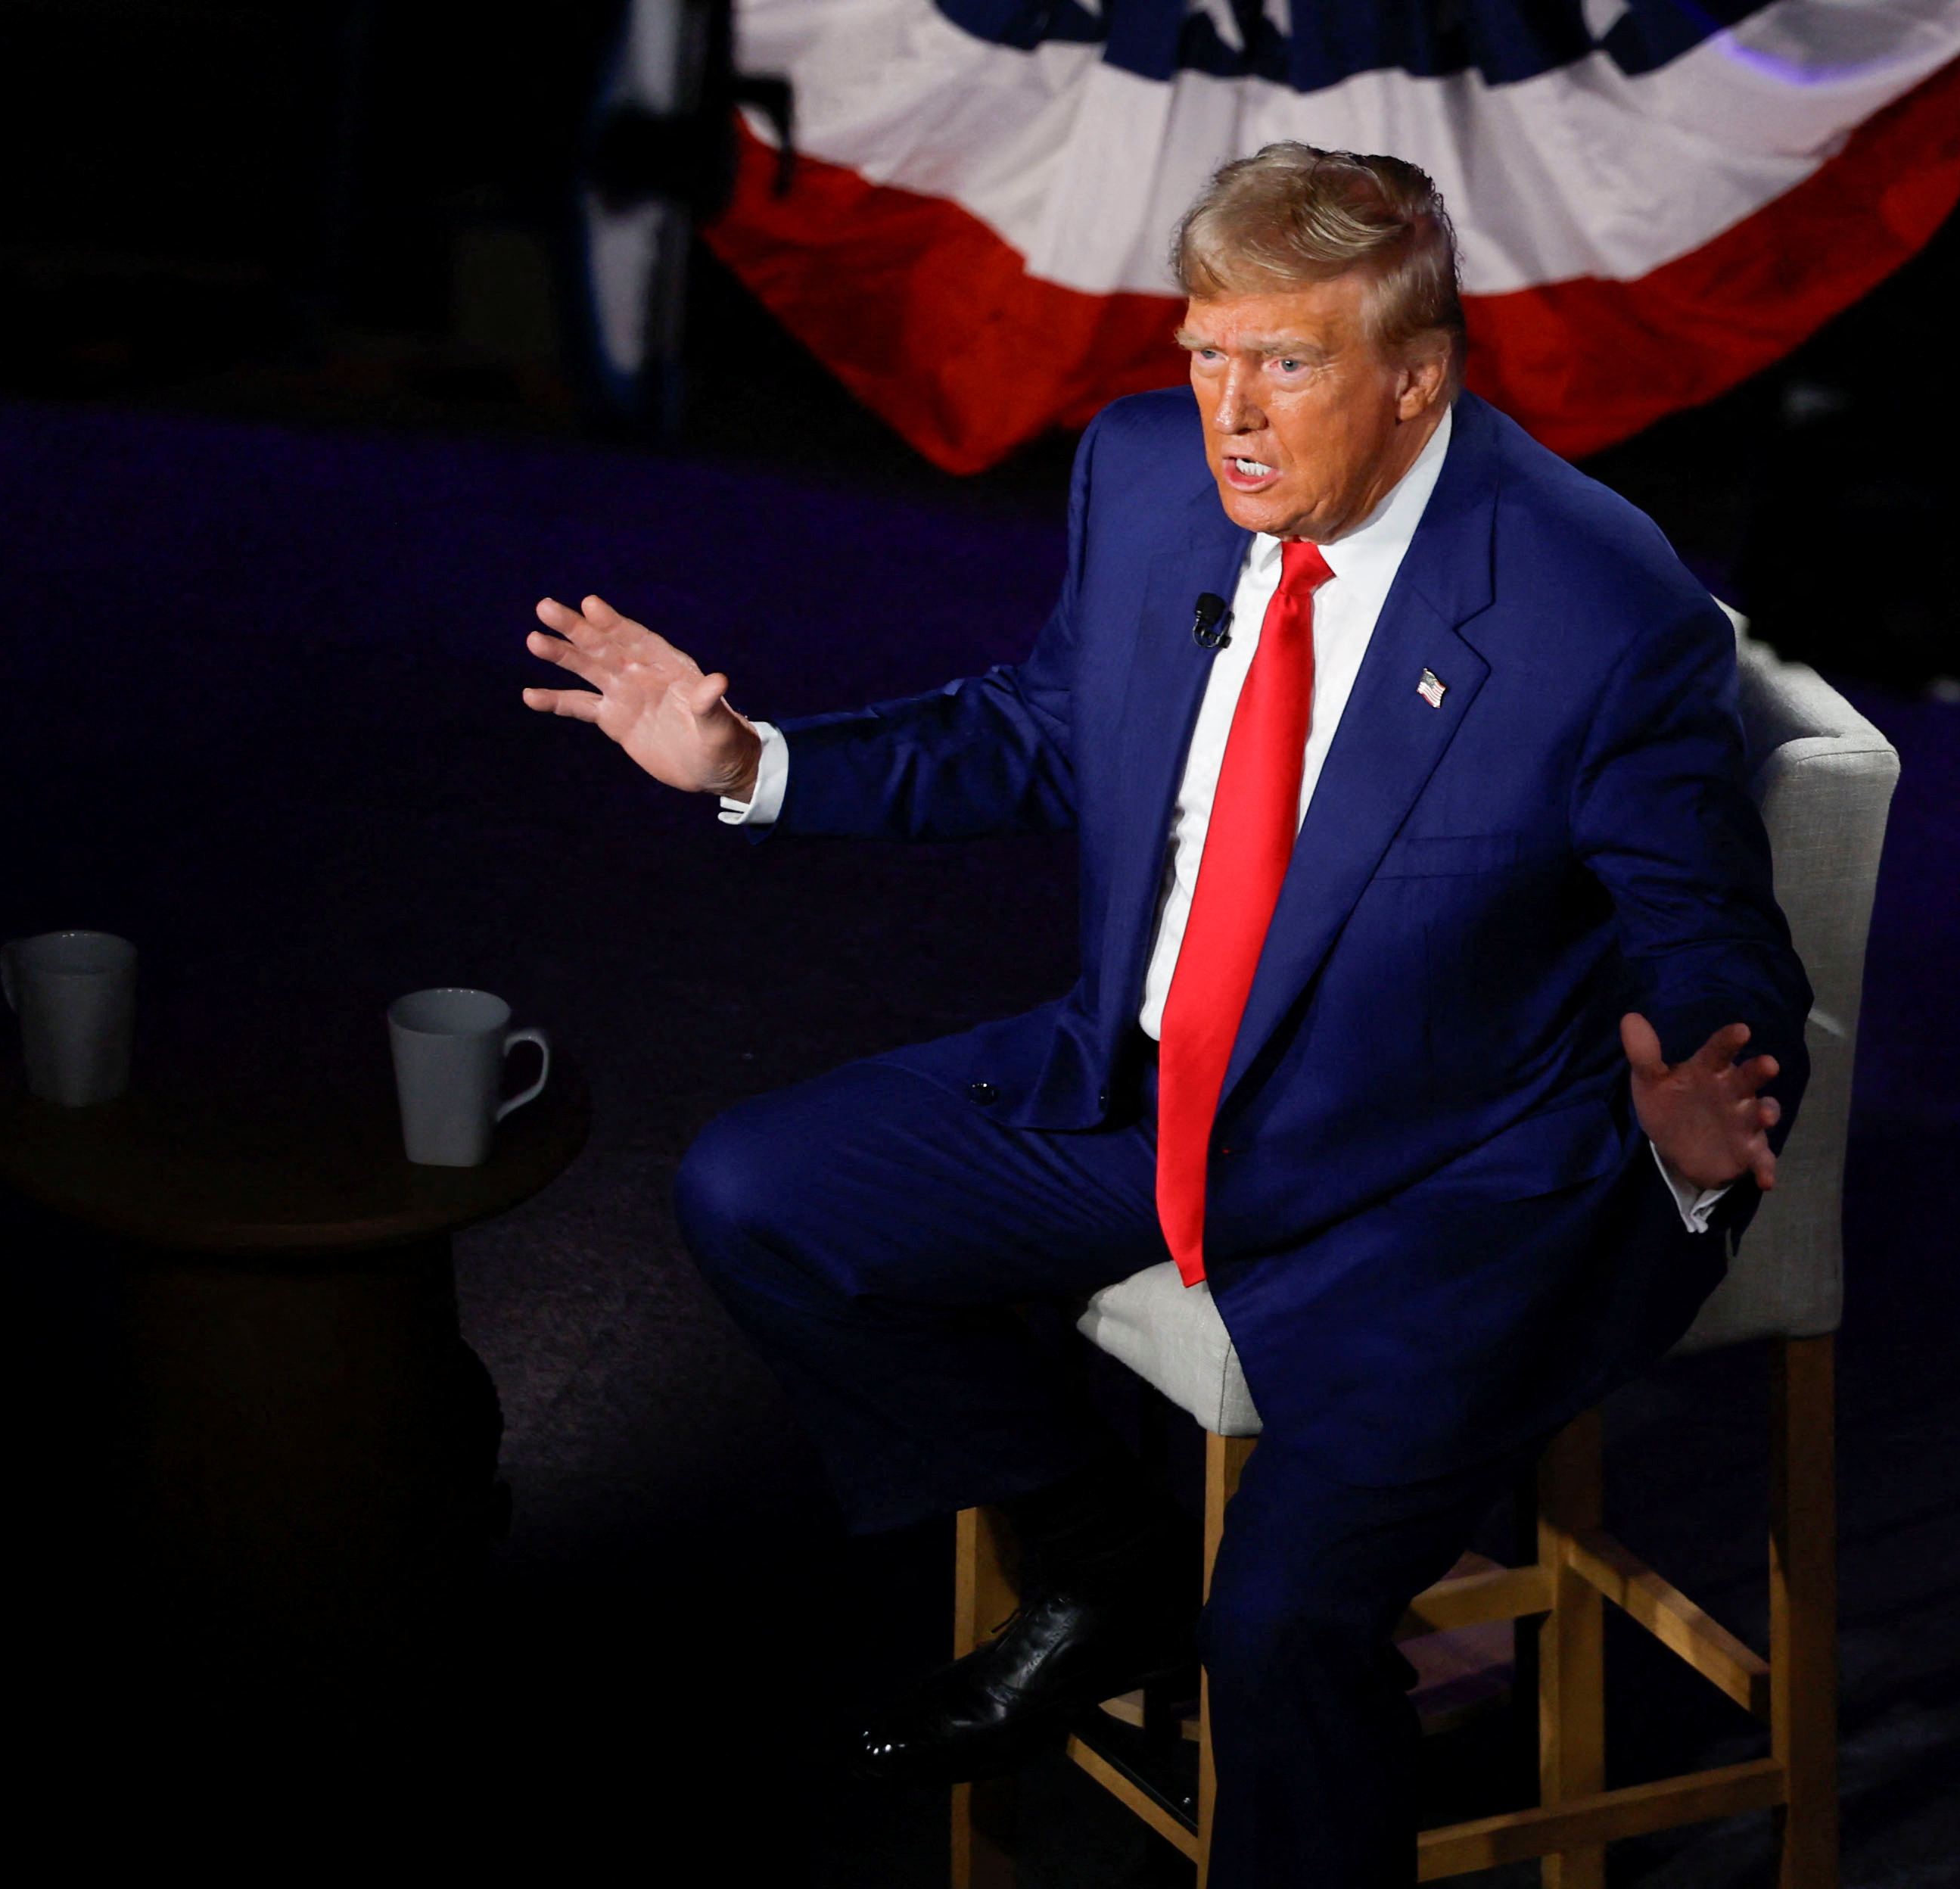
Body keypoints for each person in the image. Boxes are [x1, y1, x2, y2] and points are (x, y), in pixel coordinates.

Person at [520, 143, 1810, 1887]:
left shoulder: (1596, 603)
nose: (1230, 415)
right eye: (1205, 352)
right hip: (1148, 1098)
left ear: (1419, 375)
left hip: (1428, 1186)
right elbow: (1043, 727)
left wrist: (1697, 1111)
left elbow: (1712, 936)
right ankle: (1107, 1566)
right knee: (762, 1192)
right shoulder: (1139, 478)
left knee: (1278, 1629)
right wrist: (756, 762)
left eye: (1285, 362)